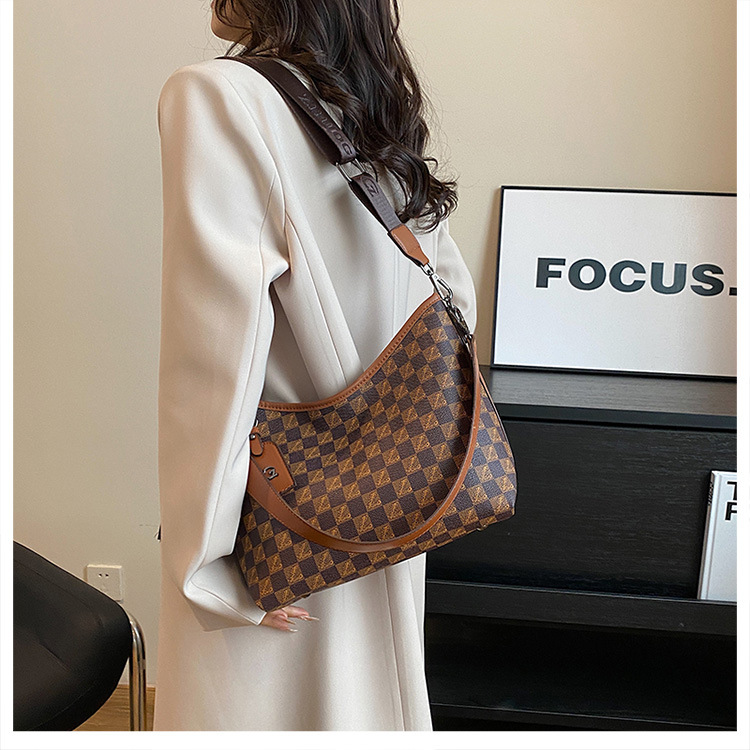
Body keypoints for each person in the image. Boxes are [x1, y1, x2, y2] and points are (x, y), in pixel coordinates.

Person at [153, 0, 478, 731]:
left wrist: (207, 562)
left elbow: (214, 355)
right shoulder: (368, 109)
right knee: (368, 700)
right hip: (390, 496)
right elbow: (453, 295)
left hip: (274, 514)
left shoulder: (217, 93)